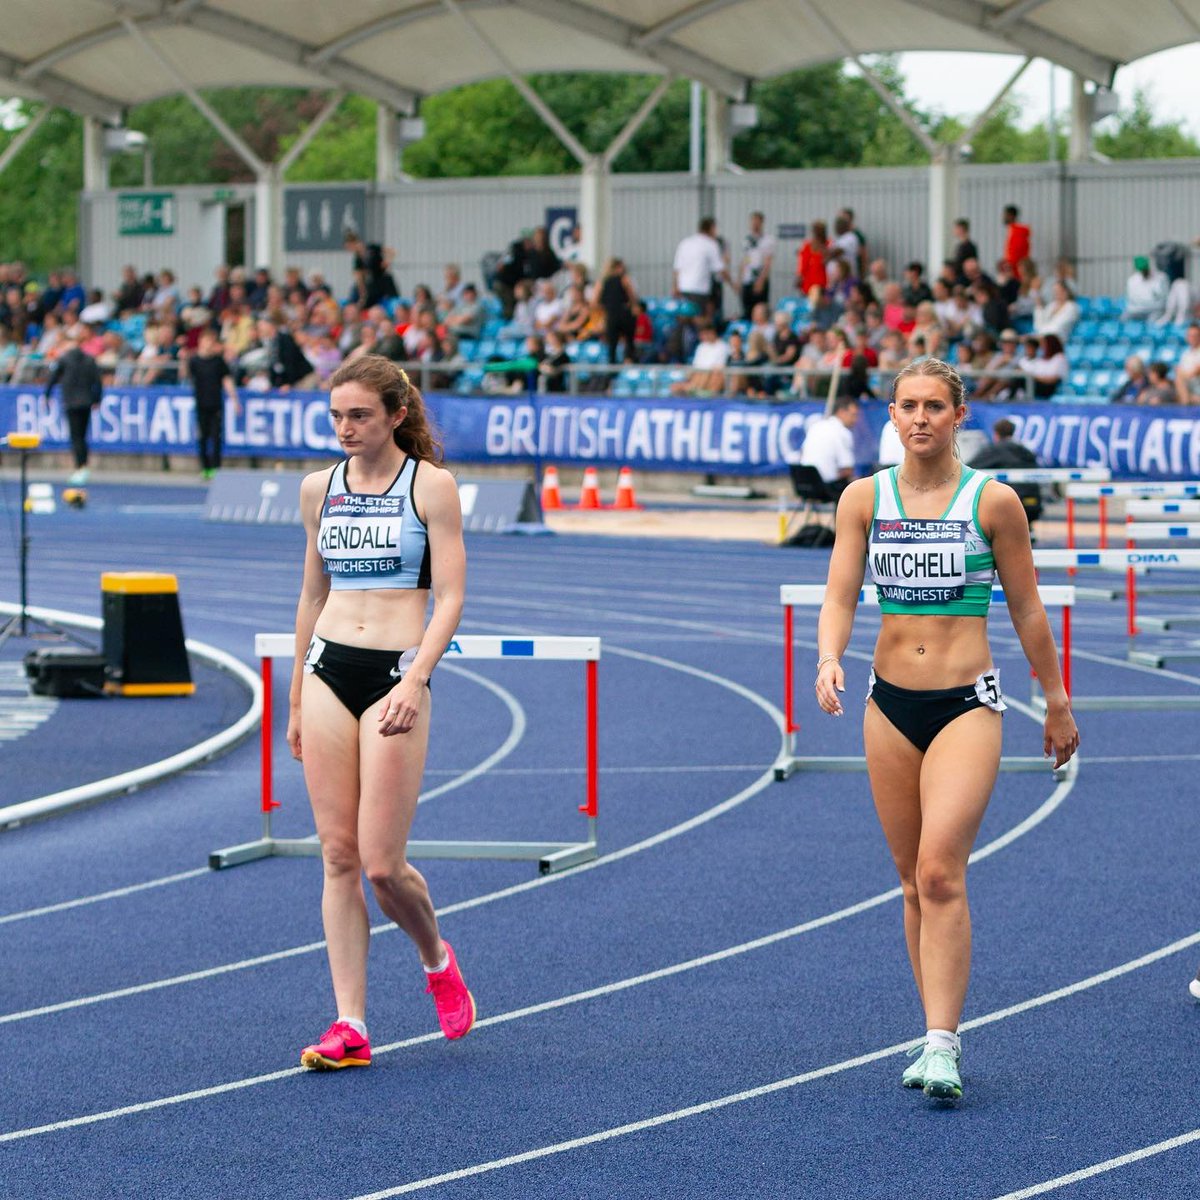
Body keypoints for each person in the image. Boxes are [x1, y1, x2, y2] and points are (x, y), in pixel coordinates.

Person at [814, 356, 1078, 1103]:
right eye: (908, 405)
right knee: (908, 881)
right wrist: (828, 657)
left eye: (935, 405)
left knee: (939, 871)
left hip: (967, 703)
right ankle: (931, 1028)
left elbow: (1027, 609)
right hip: (889, 704)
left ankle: (943, 1045)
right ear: (890, 416)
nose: (921, 417)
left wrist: (1055, 700)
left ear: (960, 415)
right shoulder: (863, 499)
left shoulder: (992, 502)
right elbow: (838, 593)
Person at [288, 355, 474, 1071]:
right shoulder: (317, 490)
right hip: (330, 669)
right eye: (336, 415)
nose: (345, 428)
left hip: (397, 673)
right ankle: (351, 1024)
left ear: (397, 414)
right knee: (336, 856)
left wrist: (416, 678)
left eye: (359, 415)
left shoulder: (432, 487)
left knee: (382, 866)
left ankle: (434, 956)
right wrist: (298, 697)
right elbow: (310, 594)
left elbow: (452, 596)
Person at [44, 329, 103, 485]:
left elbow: (53, 378)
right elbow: (98, 382)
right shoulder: (89, 359)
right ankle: (83, 465)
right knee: (82, 436)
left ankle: (80, 467)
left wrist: (46, 395)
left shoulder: (64, 359)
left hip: (71, 402)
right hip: (86, 401)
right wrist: (97, 399)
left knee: (76, 436)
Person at [180, 329, 239, 479]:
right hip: (201, 404)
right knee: (203, 437)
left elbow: (227, 380)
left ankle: (216, 467)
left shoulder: (218, 361)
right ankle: (205, 467)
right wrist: (182, 360)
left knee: (216, 436)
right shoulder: (194, 361)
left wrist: (234, 400)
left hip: (216, 404)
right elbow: (184, 376)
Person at [967, 416, 1042, 528]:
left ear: (996, 434)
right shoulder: (1026, 450)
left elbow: (970, 468)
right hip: (1034, 503)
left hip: (1009, 505)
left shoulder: (995, 450)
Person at [799, 395, 860, 499]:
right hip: (827, 488)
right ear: (841, 412)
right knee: (858, 486)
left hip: (803, 485)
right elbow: (847, 469)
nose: (855, 420)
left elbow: (801, 454)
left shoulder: (816, 426)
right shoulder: (842, 432)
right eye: (853, 415)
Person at [738, 211, 776, 319]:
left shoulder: (768, 240)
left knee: (760, 309)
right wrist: (740, 279)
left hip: (759, 278)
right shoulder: (746, 240)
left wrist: (761, 280)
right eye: (753, 221)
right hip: (747, 279)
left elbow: (768, 261)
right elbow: (745, 260)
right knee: (746, 310)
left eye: (757, 221)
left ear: (762, 222)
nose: (754, 224)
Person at [1002, 205, 1031, 280]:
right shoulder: (1012, 230)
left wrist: (1009, 266)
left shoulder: (1018, 231)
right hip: (1013, 271)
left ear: (1011, 216)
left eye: (1005, 215)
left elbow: (1017, 252)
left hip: (1016, 273)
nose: (1003, 217)